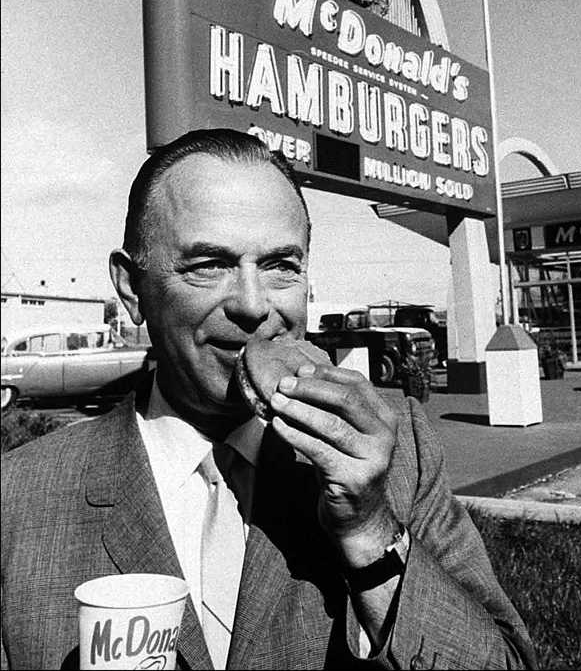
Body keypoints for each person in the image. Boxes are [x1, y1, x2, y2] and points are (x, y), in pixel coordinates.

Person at [1, 129, 537, 670]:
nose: (254, 307)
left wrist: (369, 528)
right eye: (208, 264)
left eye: (281, 265)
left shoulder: (398, 451)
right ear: (131, 288)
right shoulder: (18, 501)